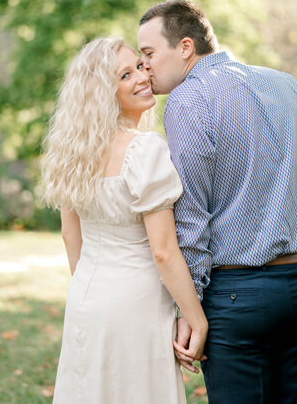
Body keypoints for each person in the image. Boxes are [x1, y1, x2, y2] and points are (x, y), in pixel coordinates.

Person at [137, 0, 297, 404]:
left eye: (148, 53)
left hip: (238, 297)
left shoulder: (188, 99)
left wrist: (188, 309)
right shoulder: (287, 83)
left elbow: (191, 217)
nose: (145, 67)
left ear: (184, 47)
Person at [41, 37, 208, 404]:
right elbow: (163, 251)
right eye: (125, 74)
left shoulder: (71, 154)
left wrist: (94, 290)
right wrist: (196, 319)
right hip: (139, 303)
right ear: (103, 92)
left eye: (140, 65)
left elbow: (72, 237)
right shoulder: (143, 149)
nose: (143, 76)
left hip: (87, 298)